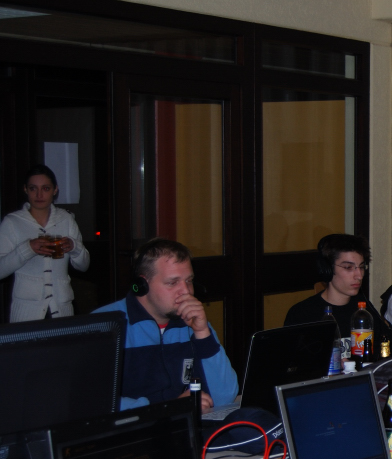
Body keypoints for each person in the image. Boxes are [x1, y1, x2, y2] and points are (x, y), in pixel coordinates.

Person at [94, 238, 238, 411]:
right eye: (172, 282)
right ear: (142, 285)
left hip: (186, 423)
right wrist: (167, 408)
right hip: (138, 426)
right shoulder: (105, 325)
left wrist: (202, 333)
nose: (186, 291)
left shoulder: (193, 322)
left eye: (189, 280)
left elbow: (225, 397)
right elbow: (93, 401)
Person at [0, 164, 90, 322]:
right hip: (27, 312)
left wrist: (74, 247)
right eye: (33, 188)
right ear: (25, 190)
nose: (39, 194)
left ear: (55, 190)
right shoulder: (13, 222)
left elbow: (84, 266)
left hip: (62, 309)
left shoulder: (66, 219)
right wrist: (28, 248)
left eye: (46, 188)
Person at [284, 233, 392, 351]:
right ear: (328, 269)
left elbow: (391, 341)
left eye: (361, 267)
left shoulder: (363, 308)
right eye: (348, 267)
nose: (359, 276)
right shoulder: (302, 314)